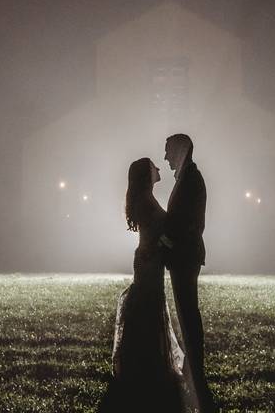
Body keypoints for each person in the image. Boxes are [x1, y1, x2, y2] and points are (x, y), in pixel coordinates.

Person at [98, 158, 190, 413]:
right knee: (147, 306)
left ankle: (146, 363)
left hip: (151, 260)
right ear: (146, 175)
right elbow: (157, 234)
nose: (159, 169)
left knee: (150, 306)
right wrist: (171, 245)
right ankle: (144, 365)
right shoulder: (146, 201)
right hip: (149, 261)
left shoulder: (147, 198)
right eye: (154, 168)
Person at [161, 134, 217, 412]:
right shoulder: (187, 178)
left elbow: (187, 223)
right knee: (186, 313)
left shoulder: (191, 180)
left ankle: (194, 368)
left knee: (188, 313)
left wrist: (164, 241)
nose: (166, 157)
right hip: (184, 255)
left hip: (185, 256)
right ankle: (191, 367)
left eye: (169, 150)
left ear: (181, 151)